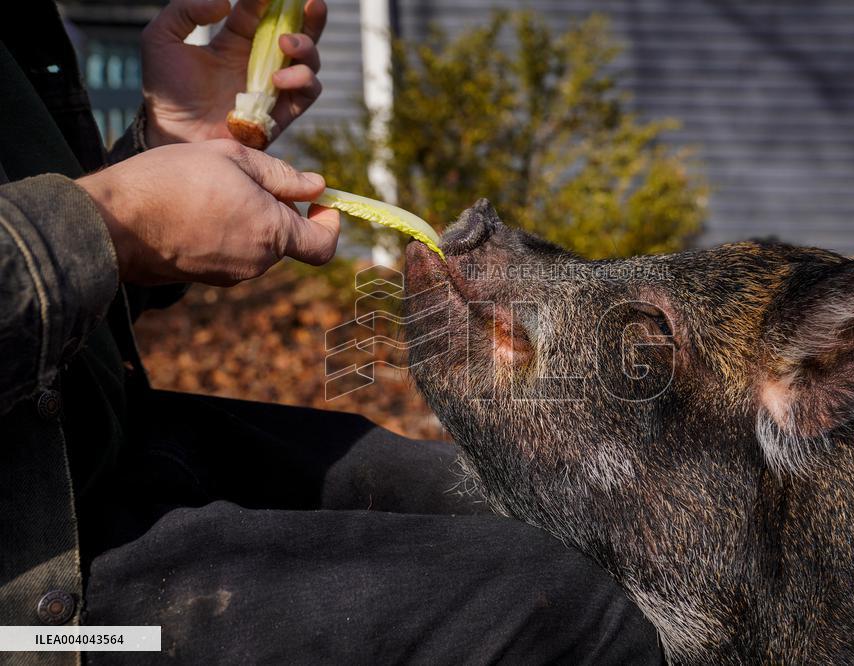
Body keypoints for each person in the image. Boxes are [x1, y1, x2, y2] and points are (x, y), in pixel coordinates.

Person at [0, 1, 661, 663]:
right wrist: (116, 223)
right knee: (581, 610)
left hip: (96, 444)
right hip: (31, 618)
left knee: (550, 515)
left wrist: (165, 154)